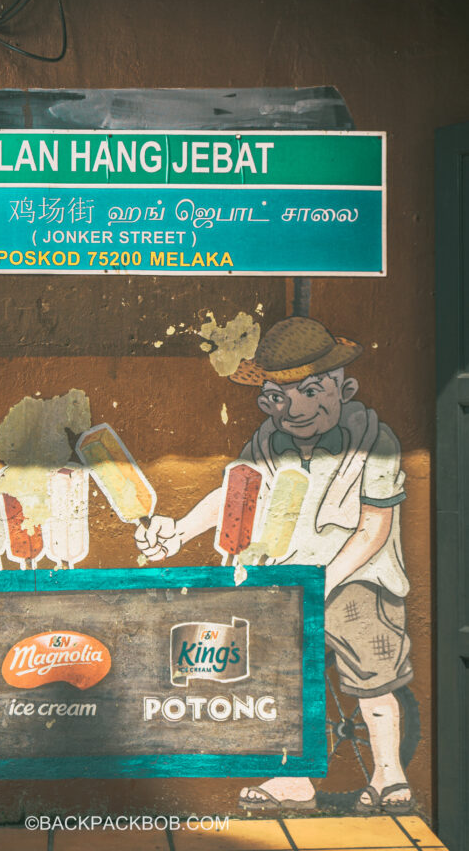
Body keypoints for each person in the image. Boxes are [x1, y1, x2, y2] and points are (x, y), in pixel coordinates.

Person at [135, 316, 414, 814]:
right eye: (277, 396)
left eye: (310, 391)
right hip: (287, 576)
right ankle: (295, 780)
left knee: (373, 678)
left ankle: (390, 774)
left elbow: (375, 528)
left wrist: (324, 580)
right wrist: (177, 531)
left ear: (343, 388)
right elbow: (232, 495)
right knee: (289, 679)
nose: (294, 409)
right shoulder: (266, 442)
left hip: (358, 580)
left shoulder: (377, 441)